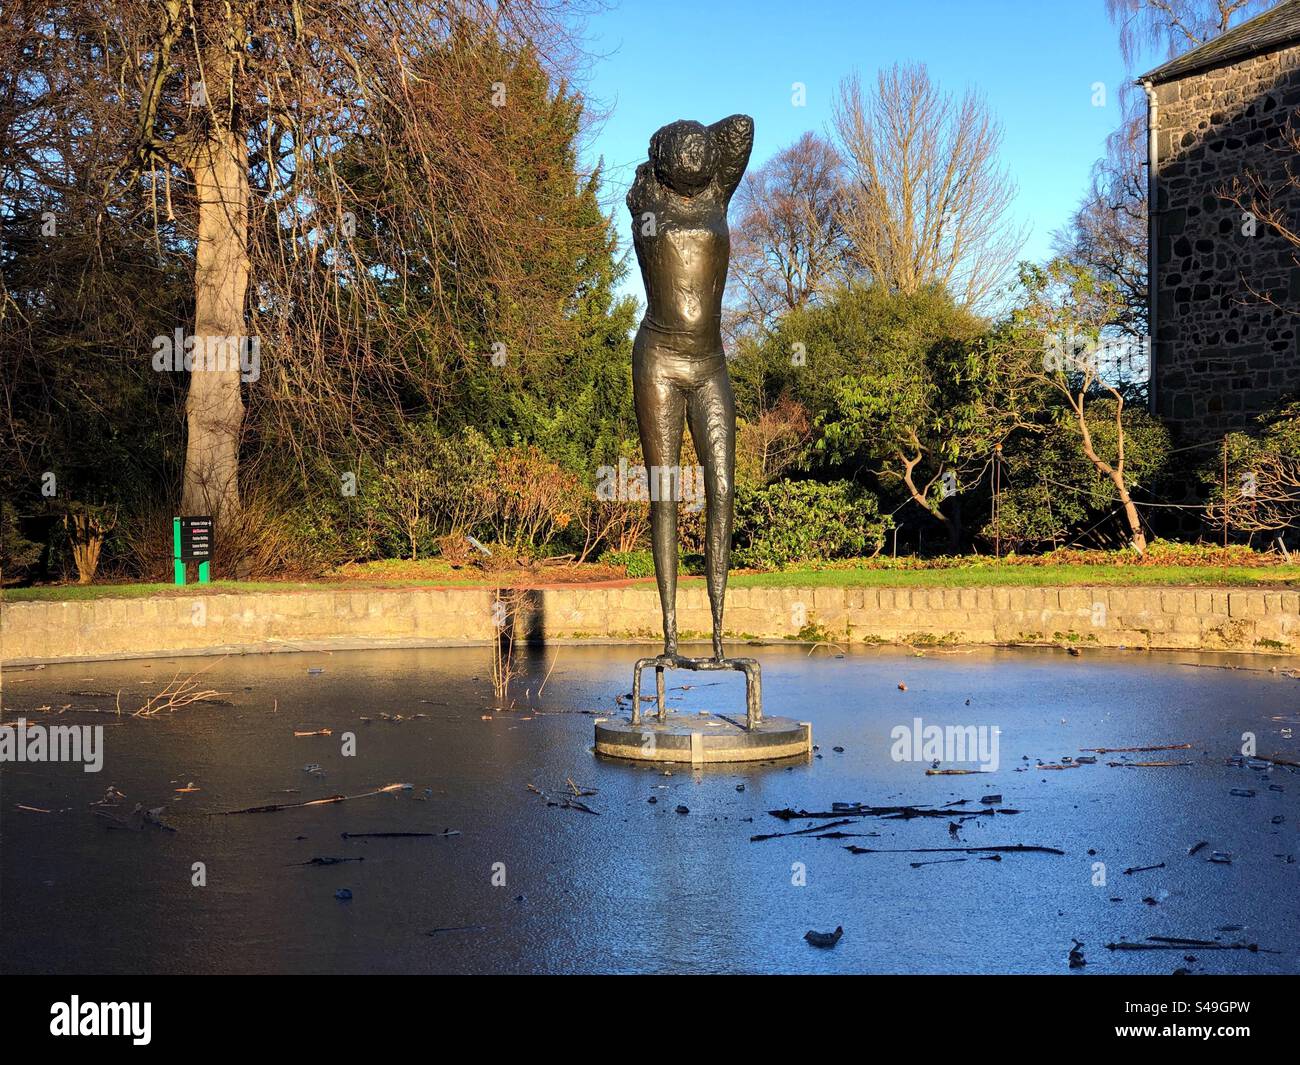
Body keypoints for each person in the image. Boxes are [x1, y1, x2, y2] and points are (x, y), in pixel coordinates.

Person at [625, 114, 753, 661]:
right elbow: (647, 178)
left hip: (710, 361)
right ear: (663, 160)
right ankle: (672, 637)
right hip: (658, 357)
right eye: (685, 152)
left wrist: (696, 137)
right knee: (665, 495)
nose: (697, 158)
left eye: (703, 151)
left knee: (722, 489)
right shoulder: (646, 200)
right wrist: (666, 148)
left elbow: (742, 128)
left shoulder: (718, 195)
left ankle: (721, 637)